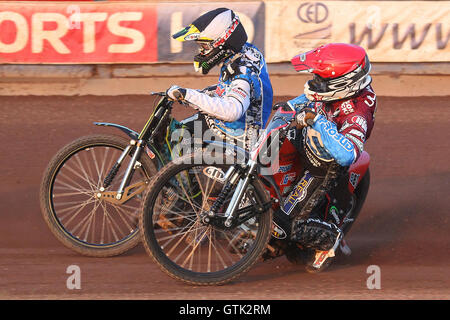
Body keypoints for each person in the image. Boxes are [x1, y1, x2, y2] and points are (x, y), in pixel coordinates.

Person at [275, 43, 377, 268]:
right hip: (309, 141)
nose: (315, 82)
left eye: (321, 79)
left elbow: (347, 154)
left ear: (342, 84)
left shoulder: (357, 114)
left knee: (282, 226)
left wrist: (317, 121)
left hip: (325, 163)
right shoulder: (338, 88)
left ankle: (329, 239)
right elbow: (312, 99)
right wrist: (290, 106)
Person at [165, 7, 273, 151]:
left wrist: (189, 95)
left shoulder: (243, 70)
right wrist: (200, 93)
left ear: (222, 43)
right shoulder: (242, 53)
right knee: (182, 130)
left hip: (241, 138)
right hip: (235, 129)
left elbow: (232, 111)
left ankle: (178, 173)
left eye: (204, 46)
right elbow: (228, 88)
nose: (201, 52)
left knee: (176, 137)